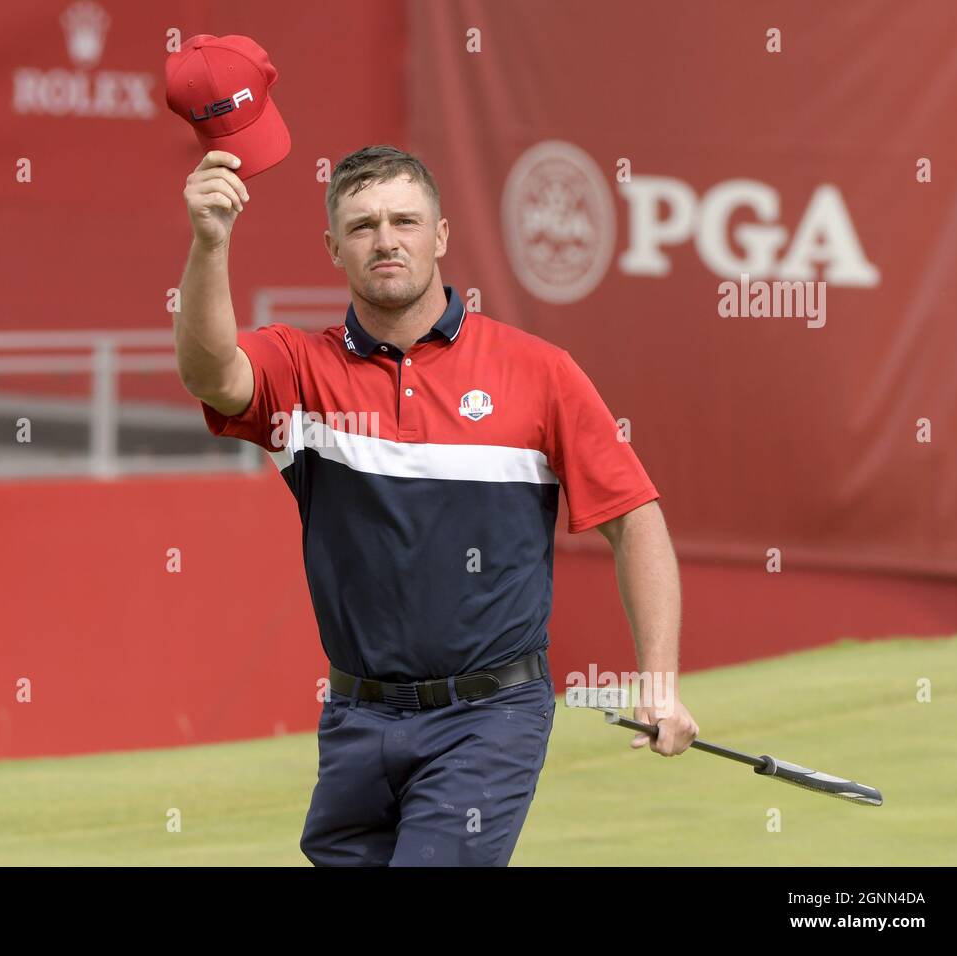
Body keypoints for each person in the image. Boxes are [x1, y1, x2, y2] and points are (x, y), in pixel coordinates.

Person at [174, 144, 698, 866]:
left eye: (404, 221)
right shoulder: (299, 369)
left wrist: (659, 680)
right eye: (362, 226)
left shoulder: (540, 372)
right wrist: (210, 243)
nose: (385, 240)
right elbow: (210, 371)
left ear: (441, 236)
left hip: (490, 719)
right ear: (333, 248)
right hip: (355, 720)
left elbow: (634, 518)